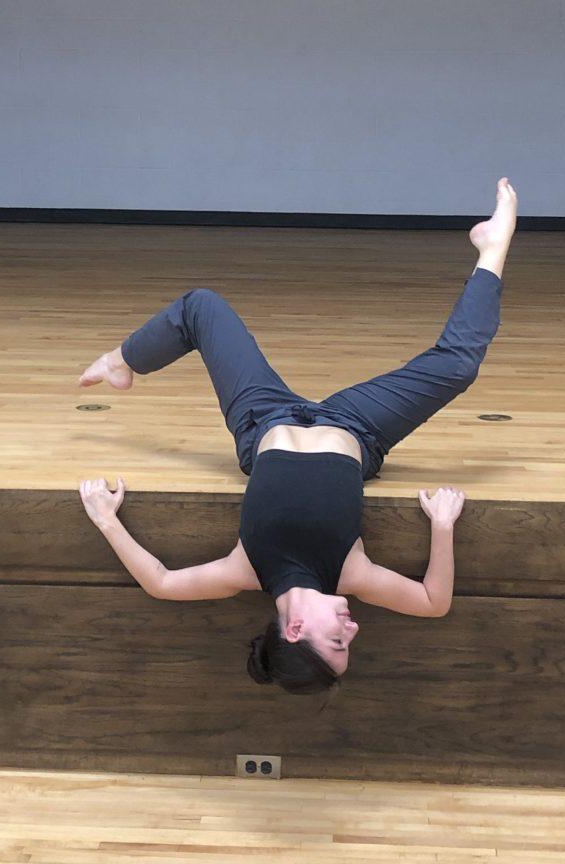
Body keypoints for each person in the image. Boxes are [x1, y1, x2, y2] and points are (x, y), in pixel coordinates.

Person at [78, 177, 518, 696]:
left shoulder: (246, 569)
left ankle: (120, 361)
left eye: (338, 644)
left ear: (295, 630)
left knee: (202, 306)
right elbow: (432, 602)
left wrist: (106, 519)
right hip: (357, 428)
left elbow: (162, 582)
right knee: (458, 366)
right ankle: (494, 247)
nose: (353, 630)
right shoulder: (350, 572)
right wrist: (441, 528)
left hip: (264, 422)